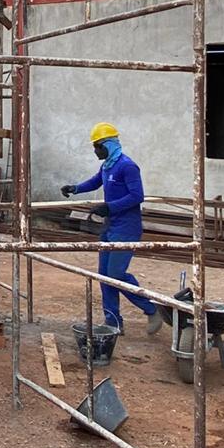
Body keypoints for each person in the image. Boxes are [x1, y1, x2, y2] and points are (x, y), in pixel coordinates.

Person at [61, 123, 163, 336]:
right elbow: (95, 182)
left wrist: (110, 207)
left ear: (108, 144)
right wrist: (75, 188)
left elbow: (137, 196)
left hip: (126, 229)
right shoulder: (108, 165)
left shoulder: (127, 166)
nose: (95, 150)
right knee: (104, 275)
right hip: (110, 227)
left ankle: (153, 309)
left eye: (97, 146)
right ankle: (113, 321)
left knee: (115, 273)